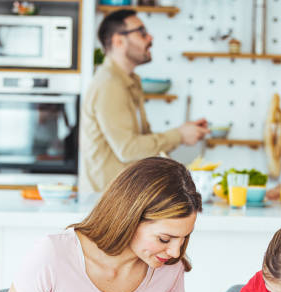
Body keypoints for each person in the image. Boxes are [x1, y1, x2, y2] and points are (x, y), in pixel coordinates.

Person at [0, 157, 202, 292]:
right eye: (165, 239)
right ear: (130, 218)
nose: (175, 252)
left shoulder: (169, 269)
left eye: (184, 238)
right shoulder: (54, 254)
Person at [80, 9, 209, 193]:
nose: (150, 38)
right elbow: (128, 149)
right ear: (118, 41)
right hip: (106, 204)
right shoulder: (109, 84)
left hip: (122, 198)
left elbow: (142, 140)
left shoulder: (131, 81)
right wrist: (179, 135)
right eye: (141, 33)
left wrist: (183, 133)